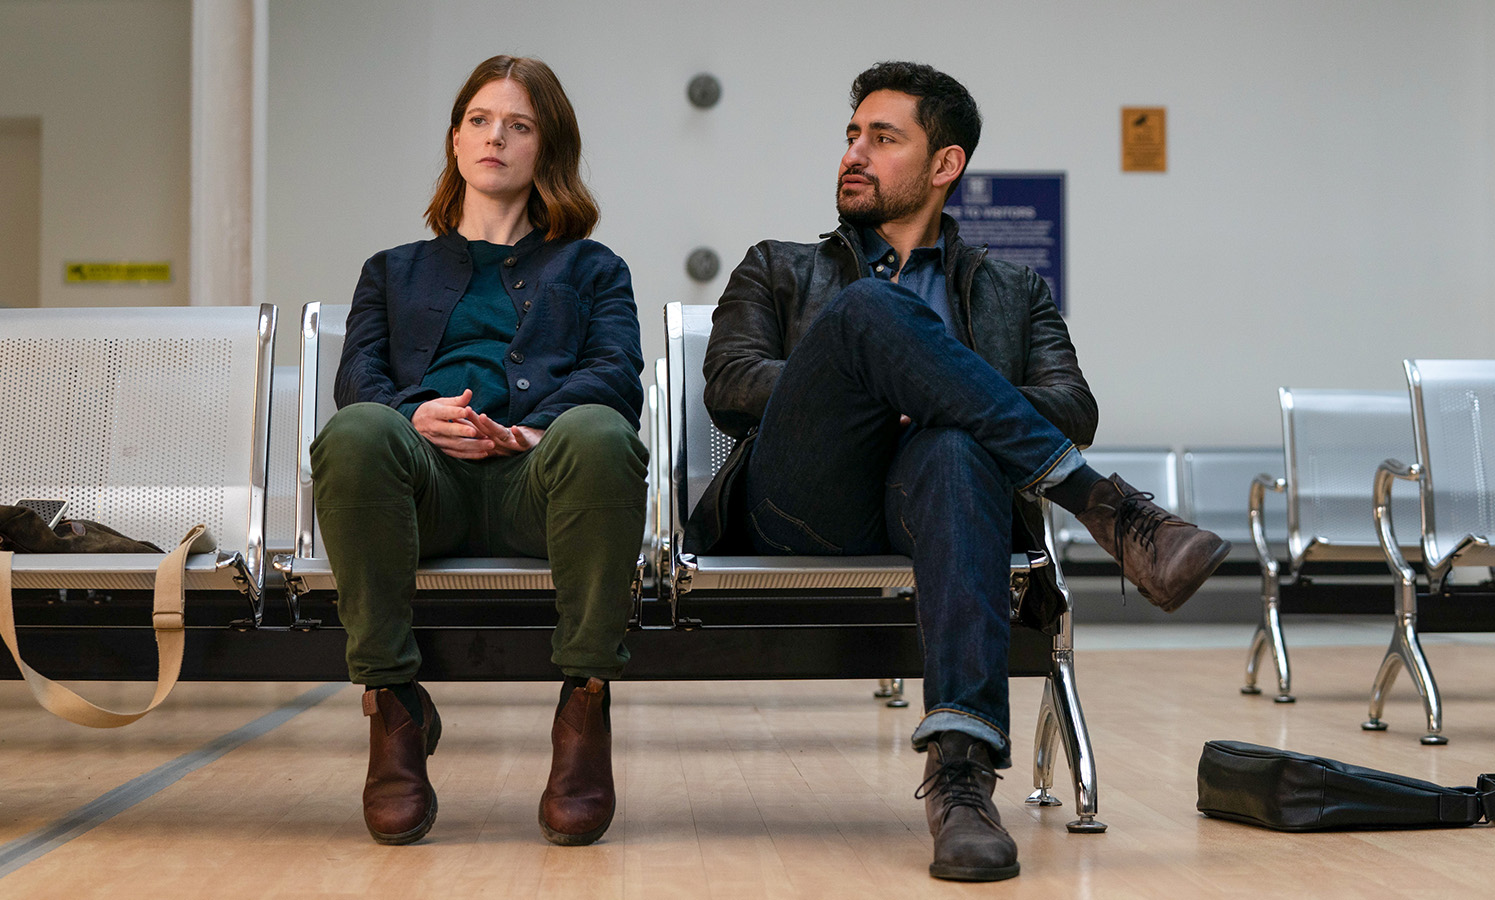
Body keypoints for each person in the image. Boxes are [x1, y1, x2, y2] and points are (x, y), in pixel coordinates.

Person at [695, 61, 1230, 882]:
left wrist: (940, 396)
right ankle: (1109, 509)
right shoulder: (779, 266)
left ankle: (963, 779)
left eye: (883, 138)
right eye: (850, 136)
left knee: (952, 448)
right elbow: (729, 384)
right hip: (803, 500)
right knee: (870, 315)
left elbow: (1072, 404)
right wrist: (872, 379)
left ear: (945, 165)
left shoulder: (1015, 289)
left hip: (939, 505)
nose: (854, 154)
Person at [311, 55, 646, 848]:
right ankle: (392, 705)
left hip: (540, 485)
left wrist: (528, 431)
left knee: (601, 433)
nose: (496, 136)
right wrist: (414, 415)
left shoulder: (594, 269)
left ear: (545, 151)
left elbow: (615, 377)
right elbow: (357, 378)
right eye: (479, 120)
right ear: (456, 140)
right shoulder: (390, 272)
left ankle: (585, 705)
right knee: (357, 432)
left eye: (519, 125)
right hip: (424, 489)